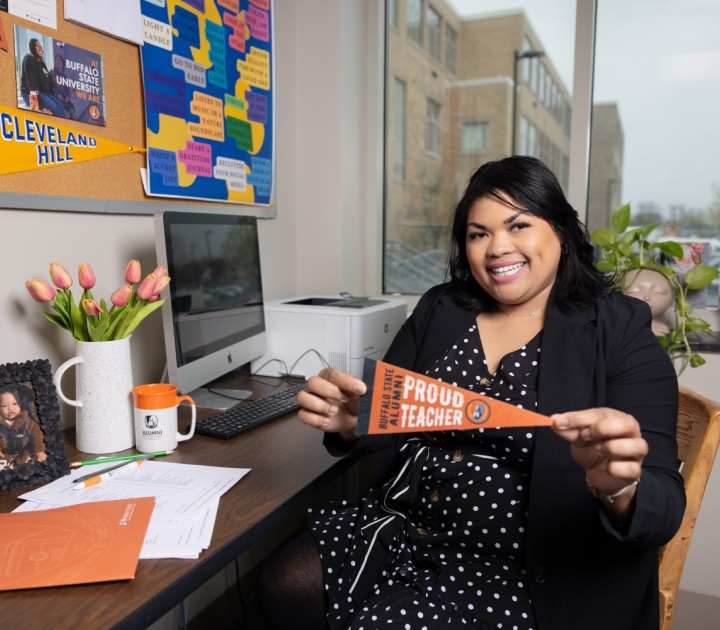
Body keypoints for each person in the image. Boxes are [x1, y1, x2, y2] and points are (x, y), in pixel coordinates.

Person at [257, 156, 685, 630]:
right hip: (404, 525)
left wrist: (619, 486)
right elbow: (383, 414)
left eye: (518, 225)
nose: (497, 247)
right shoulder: (443, 308)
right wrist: (354, 420)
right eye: (479, 233)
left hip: (522, 564)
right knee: (282, 583)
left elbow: (663, 506)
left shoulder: (618, 327)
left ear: (560, 232)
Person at [0, 387, 47, 466]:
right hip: (5, 455)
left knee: (39, 461)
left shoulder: (27, 421)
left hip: (26, 452)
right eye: (4, 406)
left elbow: (37, 436)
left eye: (14, 404)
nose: (10, 408)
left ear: (20, 405)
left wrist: (39, 450)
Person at [19, 38, 65, 117]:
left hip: (42, 92)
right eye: (37, 46)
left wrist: (53, 97)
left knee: (61, 106)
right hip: (30, 94)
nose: (40, 48)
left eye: (41, 47)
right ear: (32, 47)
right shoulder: (29, 59)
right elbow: (32, 86)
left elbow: (48, 83)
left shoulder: (41, 63)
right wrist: (42, 108)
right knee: (57, 110)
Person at [51, 53, 76, 120]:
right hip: (56, 97)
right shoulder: (52, 72)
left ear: (62, 64)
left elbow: (67, 90)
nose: (57, 61)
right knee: (63, 111)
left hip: (65, 98)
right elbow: (50, 87)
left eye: (59, 60)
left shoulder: (65, 77)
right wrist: (57, 95)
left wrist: (68, 96)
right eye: (56, 60)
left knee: (73, 109)